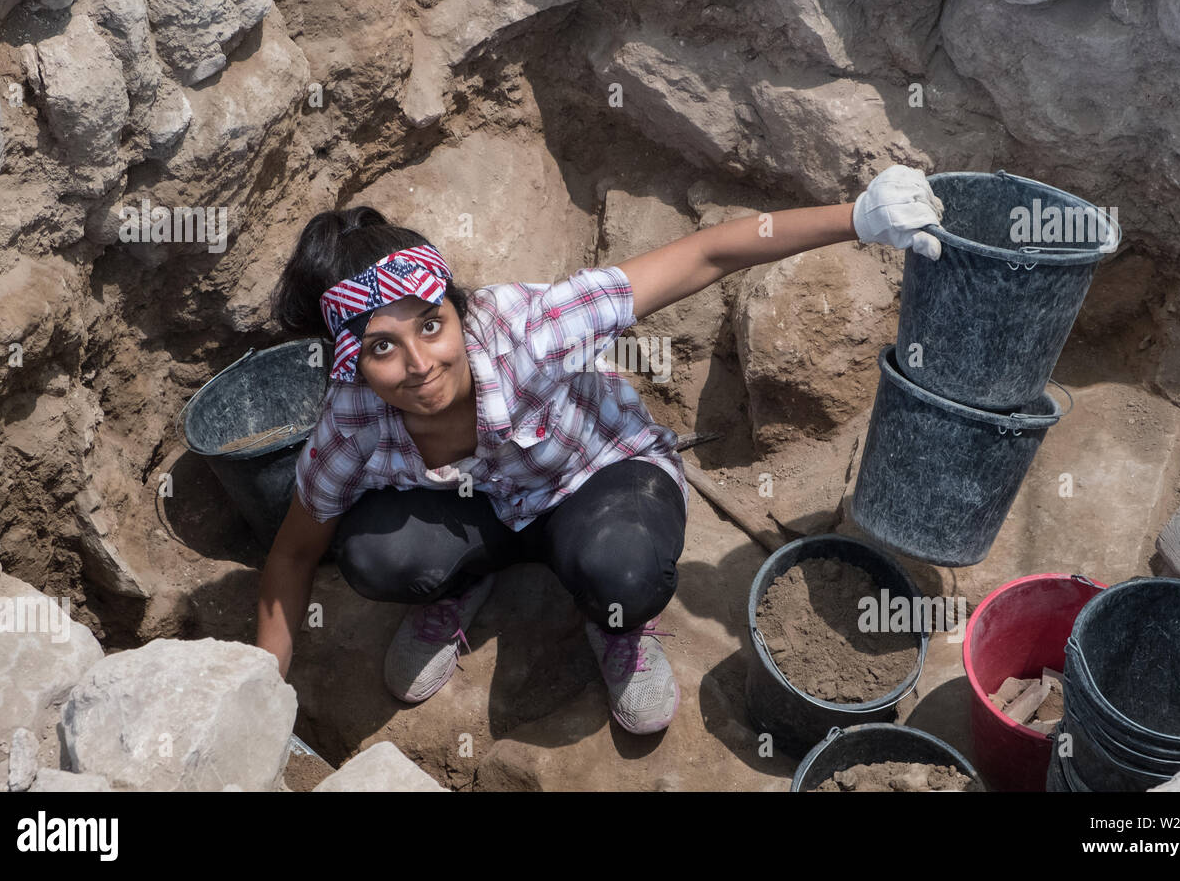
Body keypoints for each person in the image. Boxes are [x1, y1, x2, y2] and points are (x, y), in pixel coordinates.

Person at [255, 164, 945, 735]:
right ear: (350, 365)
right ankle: (465, 583)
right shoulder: (351, 421)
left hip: (598, 479)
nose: (419, 364)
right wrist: (259, 696)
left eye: (431, 326)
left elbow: (705, 254)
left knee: (621, 571)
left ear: (457, 312)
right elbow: (292, 551)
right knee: (375, 554)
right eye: (382, 348)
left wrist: (856, 217)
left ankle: (616, 625)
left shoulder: (533, 328)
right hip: (487, 509)